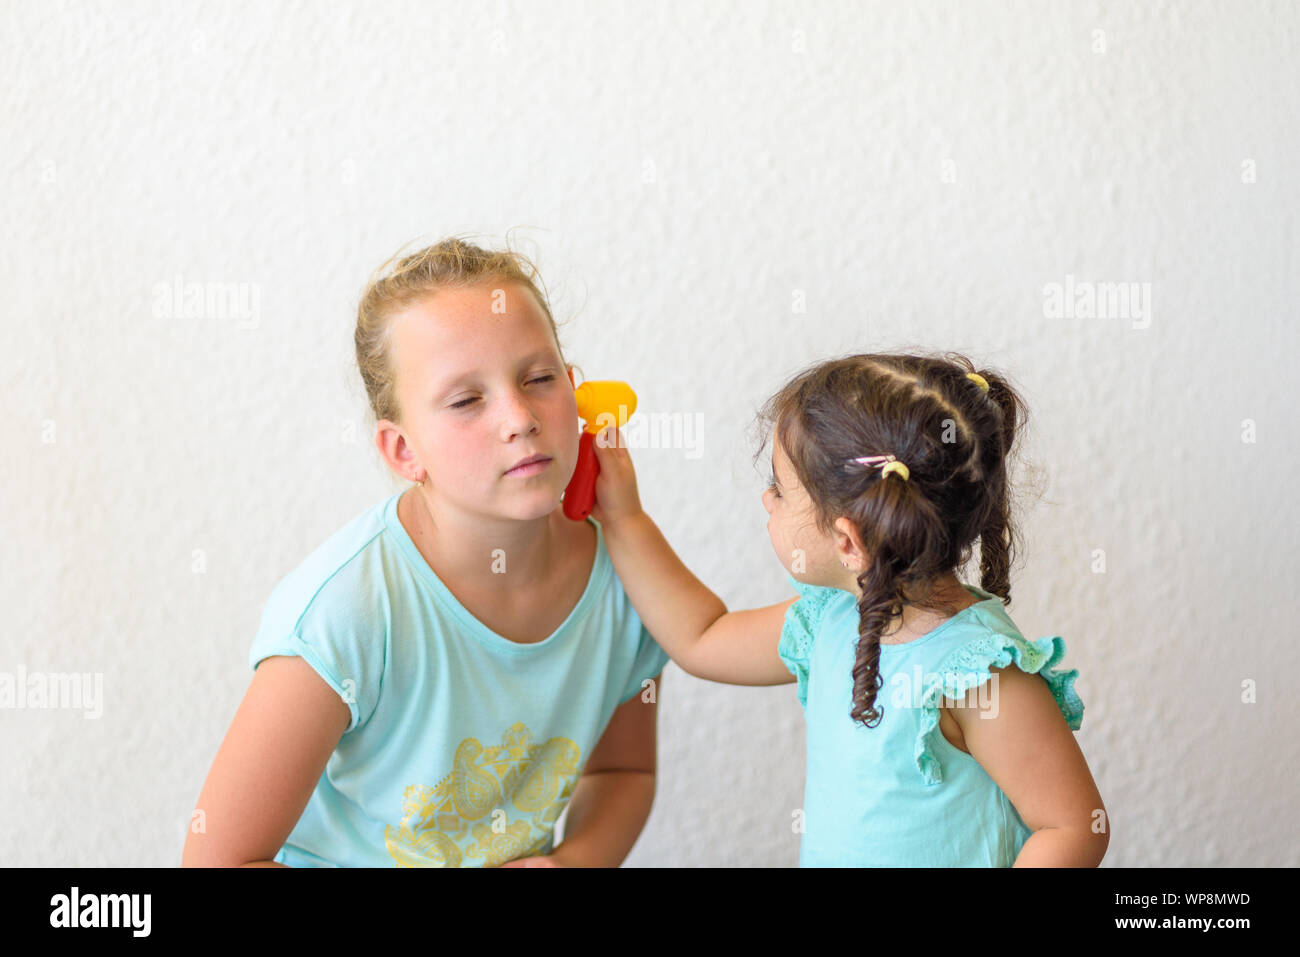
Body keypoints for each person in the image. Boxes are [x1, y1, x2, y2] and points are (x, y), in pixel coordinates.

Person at [182, 237, 668, 867]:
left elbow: (624, 771)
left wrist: (571, 862)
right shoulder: (344, 613)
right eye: (467, 400)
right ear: (402, 450)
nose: (519, 416)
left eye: (540, 378)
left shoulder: (628, 580)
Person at [591, 352, 1109, 866]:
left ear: (848, 543)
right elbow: (701, 637)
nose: (766, 501)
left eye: (778, 488)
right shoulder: (830, 620)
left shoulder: (977, 673)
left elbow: (1071, 827)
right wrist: (623, 518)